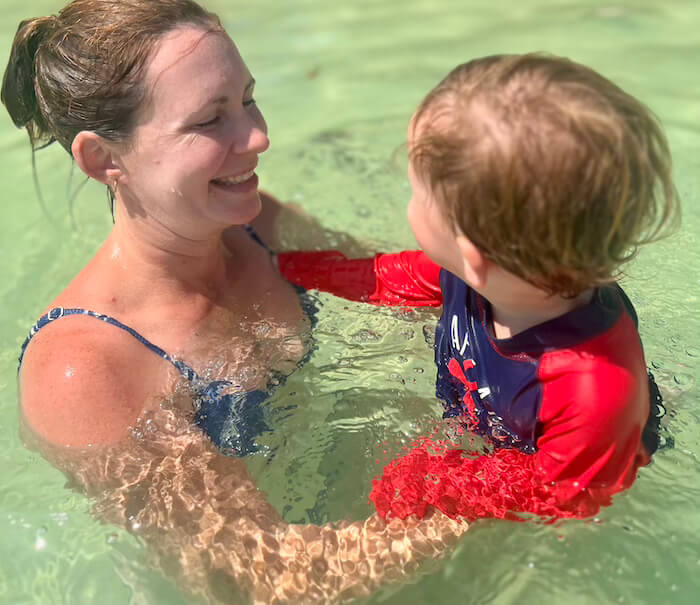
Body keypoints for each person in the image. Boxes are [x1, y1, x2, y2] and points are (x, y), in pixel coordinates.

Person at [2, 0, 466, 605]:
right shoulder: (88, 368)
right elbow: (277, 577)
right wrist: (520, 485)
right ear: (102, 158)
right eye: (209, 119)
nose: (257, 138)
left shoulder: (258, 227)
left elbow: (416, 298)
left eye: (248, 99)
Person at [278, 53, 680, 522]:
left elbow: (569, 496)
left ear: (472, 253)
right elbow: (383, 279)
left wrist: (448, 482)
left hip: (592, 457)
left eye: (415, 192)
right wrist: (288, 266)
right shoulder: (480, 273)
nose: (409, 204)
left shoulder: (593, 387)